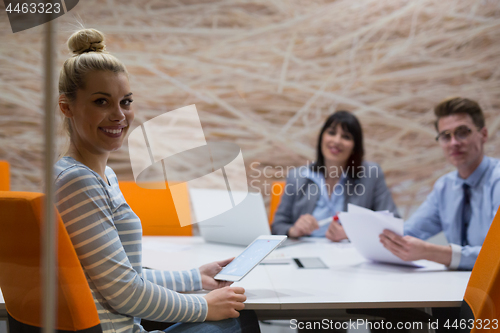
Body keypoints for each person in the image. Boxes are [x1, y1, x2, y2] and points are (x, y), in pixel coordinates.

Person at [54, 28, 260, 333]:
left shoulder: (100, 177)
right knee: (234, 321)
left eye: (125, 101)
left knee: (236, 315)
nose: (119, 115)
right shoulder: (77, 183)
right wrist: (205, 306)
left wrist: (195, 278)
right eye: (101, 102)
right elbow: (124, 291)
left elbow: (121, 276)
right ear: (66, 107)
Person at [380, 97, 500, 270]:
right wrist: (370, 234)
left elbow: (496, 255)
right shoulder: (445, 187)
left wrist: (430, 252)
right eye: (445, 136)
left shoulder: (497, 181)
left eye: (463, 132)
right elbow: (409, 232)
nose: (454, 143)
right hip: (457, 287)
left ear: (484, 135)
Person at [271, 110, 399, 241]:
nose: (337, 141)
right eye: (331, 133)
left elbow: (392, 222)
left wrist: (353, 233)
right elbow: (277, 226)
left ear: (355, 146)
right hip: (306, 252)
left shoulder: (371, 174)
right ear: (322, 138)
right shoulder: (297, 176)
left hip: (352, 255)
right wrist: (294, 230)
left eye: (346, 137)